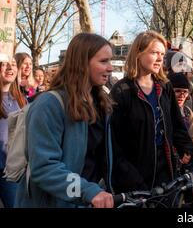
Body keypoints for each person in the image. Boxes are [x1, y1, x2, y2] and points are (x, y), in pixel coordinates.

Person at [15, 33, 115, 208]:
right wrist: (88, 191)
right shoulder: (49, 105)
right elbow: (44, 168)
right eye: (103, 61)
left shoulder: (101, 103)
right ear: (82, 63)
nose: (110, 67)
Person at [110, 30, 193, 193]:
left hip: (165, 171)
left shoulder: (165, 86)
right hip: (133, 175)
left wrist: (186, 146)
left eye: (162, 54)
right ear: (138, 53)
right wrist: (130, 178)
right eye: (154, 52)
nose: (160, 58)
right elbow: (114, 144)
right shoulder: (122, 90)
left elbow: (176, 122)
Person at [0, 58, 27, 208]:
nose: (10, 68)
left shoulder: (21, 100)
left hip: (11, 171)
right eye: (4, 64)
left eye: (14, 64)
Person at [168, 73, 193, 173]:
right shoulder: (165, 112)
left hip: (188, 159)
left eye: (185, 92)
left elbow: (192, 138)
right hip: (170, 161)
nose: (182, 95)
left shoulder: (188, 113)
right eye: (177, 91)